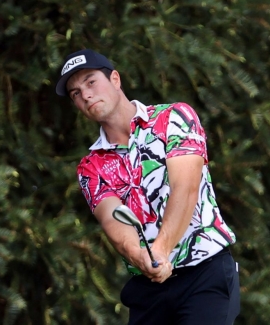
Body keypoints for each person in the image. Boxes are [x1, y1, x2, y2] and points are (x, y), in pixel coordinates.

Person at [56, 49, 240, 325]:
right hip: (149, 288)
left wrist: (162, 249)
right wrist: (140, 256)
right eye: (75, 93)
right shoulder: (91, 167)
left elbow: (186, 189)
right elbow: (113, 221)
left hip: (205, 274)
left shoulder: (174, 118)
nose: (85, 95)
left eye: (91, 82)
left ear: (115, 79)